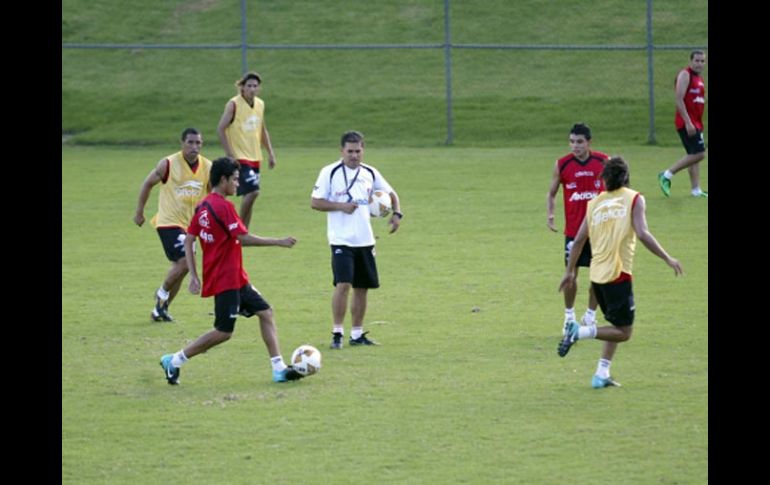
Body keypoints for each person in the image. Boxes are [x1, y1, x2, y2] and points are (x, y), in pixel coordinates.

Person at [159, 158, 302, 385]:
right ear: (223, 179)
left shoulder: (204, 205)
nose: (238, 183)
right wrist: (278, 241)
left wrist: (195, 276)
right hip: (225, 280)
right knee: (223, 332)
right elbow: (242, 238)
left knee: (265, 312)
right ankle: (174, 360)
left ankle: (279, 369)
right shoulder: (223, 207)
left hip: (236, 277)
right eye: (235, 179)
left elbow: (189, 239)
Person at [558, 156, 683, 388]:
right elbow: (643, 233)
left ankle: (601, 373)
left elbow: (577, 241)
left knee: (614, 324)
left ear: (604, 179)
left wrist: (569, 272)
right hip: (618, 274)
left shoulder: (594, 203)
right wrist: (667, 257)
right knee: (624, 332)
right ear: (626, 177)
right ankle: (580, 332)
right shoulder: (634, 198)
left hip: (597, 276)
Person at [310, 131, 403, 349]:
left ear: (363, 150)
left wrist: (397, 214)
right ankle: (337, 333)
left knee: (362, 288)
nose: (354, 155)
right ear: (341, 151)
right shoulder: (329, 172)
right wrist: (340, 206)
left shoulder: (370, 172)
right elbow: (315, 202)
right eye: (350, 151)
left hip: (365, 240)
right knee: (343, 285)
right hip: (341, 239)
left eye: (358, 151)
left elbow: (391, 194)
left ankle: (357, 334)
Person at [133, 128, 212, 322]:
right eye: (191, 142)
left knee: (181, 267)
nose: (195, 147)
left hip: (191, 227)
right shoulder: (168, 163)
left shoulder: (208, 166)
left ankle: (161, 309)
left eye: (198, 143)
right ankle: (162, 292)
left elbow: (212, 195)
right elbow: (147, 183)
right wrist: (139, 212)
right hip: (168, 222)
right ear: (182, 143)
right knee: (186, 262)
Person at [546, 123, 608, 336]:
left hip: (600, 230)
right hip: (573, 231)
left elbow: (616, 192)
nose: (575, 146)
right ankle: (569, 316)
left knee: (600, 276)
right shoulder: (562, 165)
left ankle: (590, 315)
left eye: (579, 142)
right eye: (572, 141)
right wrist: (551, 214)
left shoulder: (603, 162)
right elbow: (552, 193)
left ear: (589, 142)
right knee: (570, 274)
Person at [216, 71, 277, 229]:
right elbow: (221, 129)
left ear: (259, 89)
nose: (252, 89)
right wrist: (230, 154)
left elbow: (262, 130)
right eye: (249, 85)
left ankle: (244, 233)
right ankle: (239, 228)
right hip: (239, 157)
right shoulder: (233, 104)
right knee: (253, 192)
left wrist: (270, 152)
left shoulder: (260, 104)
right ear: (242, 87)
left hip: (255, 157)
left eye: (255, 86)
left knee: (249, 195)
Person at [658, 50, 708, 198]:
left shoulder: (699, 79)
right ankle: (666, 174)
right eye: (697, 60)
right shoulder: (685, 75)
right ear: (691, 61)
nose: (699, 63)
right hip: (687, 123)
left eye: (702, 61)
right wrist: (688, 122)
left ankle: (696, 190)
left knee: (693, 155)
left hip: (696, 123)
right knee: (700, 154)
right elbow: (679, 99)